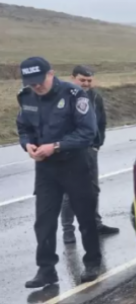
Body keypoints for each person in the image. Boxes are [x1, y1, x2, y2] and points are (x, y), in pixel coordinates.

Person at [16, 57, 103, 287]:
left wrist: (55, 146)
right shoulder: (26, 96)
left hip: (75, 164)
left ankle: (92, 262)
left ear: (51, 74)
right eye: (32, 82)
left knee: (85, 216)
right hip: (46, 168)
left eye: (40, 80)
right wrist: (27, 145)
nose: (37, 86)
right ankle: (46, 270)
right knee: (44, 220)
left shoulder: (74, 94)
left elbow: (88, 132)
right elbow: (24, 127)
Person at [60, 65, 120, 244]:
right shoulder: (63, 97)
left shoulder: (95, 97)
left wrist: (97, 145)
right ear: (73, 78)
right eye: (82, 80)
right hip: (69, 152)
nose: (86, 83)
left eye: (89, 80)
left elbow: (101, 122)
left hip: (90, 150)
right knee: (70, 193)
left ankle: (96, 225)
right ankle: (68, 231)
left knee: (93, 189)